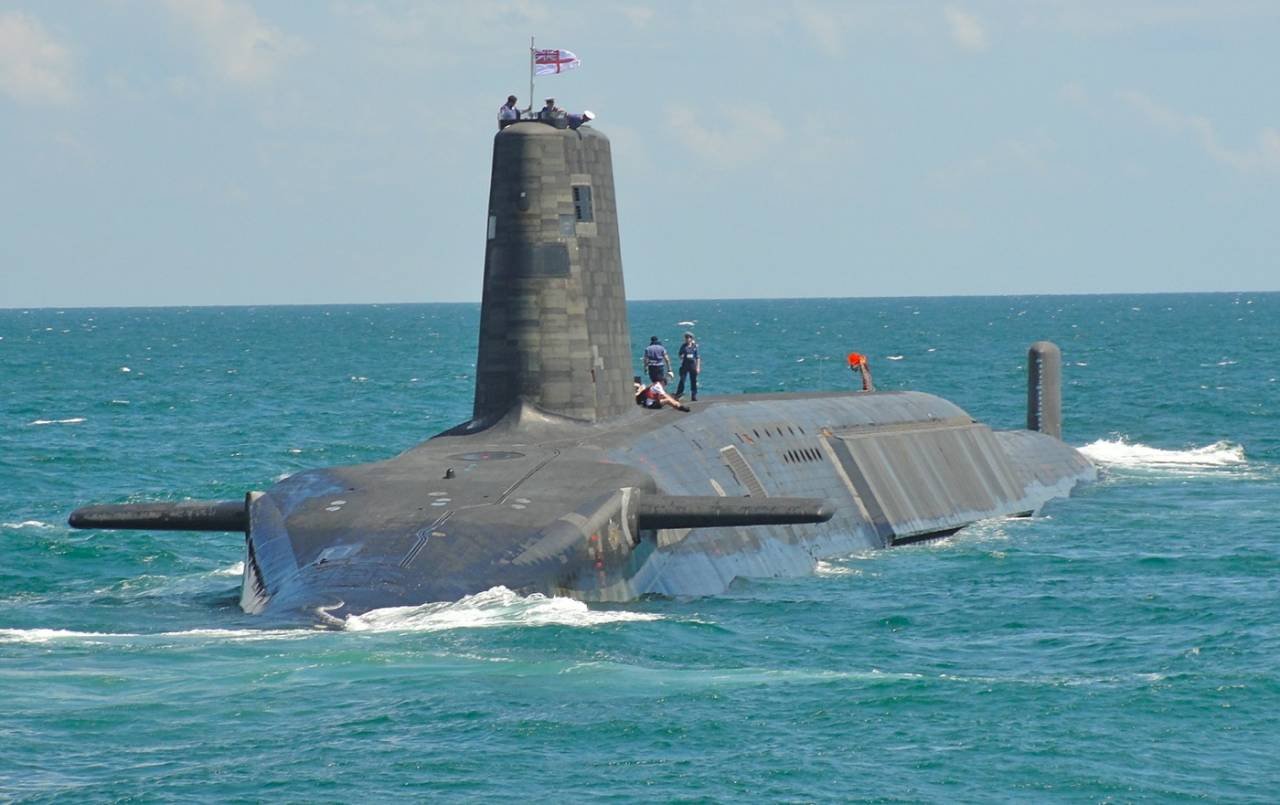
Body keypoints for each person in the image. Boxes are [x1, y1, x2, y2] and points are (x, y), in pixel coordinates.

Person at [674, 331, 700, 401]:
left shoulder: (694, 347)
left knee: (693, 380)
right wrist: (681, 356)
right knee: (682, 380)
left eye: (688, 338)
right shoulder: (683, 346)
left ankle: (694, 395)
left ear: (691, 338)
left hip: (692, 365)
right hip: (685, 365)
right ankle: (678, 394)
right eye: (686, 338)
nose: (687, 339)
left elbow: (697, 357)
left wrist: (698, 367)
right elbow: (680, 354)